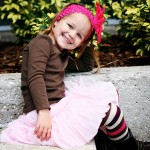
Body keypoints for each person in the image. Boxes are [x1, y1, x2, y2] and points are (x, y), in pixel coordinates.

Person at [0, 2, 149, 150]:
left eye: (79, 35)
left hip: (58, 106)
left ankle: (108, 143)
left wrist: (88, 41)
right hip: (46, 112)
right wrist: (44, 112)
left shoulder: (60, 53)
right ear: (57, 20)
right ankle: (130, 146)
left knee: (105, 98)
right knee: (110, 112)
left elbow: (85, 66)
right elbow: (35, 77)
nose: (72, 35)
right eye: (70, 26)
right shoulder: (42, 43)